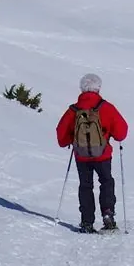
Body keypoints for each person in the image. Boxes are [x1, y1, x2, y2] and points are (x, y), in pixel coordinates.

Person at [55, 73, 128, 233]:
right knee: (106, 182)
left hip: (81, 155)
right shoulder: (106, 107)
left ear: (82, 89)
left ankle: (87, 222)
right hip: (103, 154)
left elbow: (61, 135)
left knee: (85, 186)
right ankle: (108, 214)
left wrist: (70, 140)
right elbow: (121, 133)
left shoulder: (73, 110)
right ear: (98, 88)